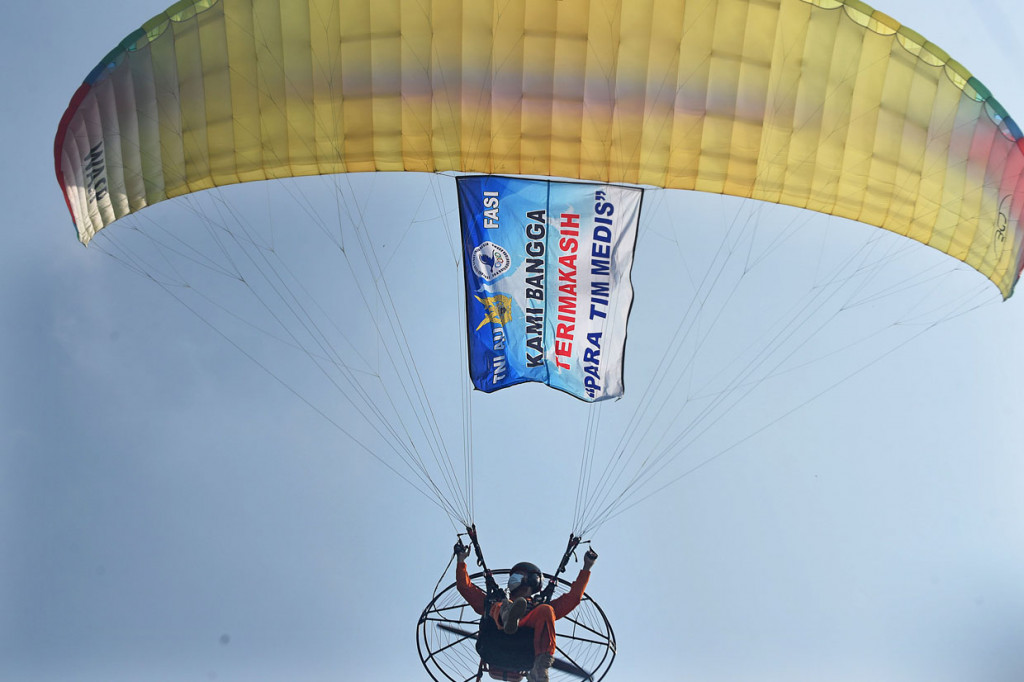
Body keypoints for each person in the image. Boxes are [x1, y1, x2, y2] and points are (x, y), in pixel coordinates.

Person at [455, 543, 598, 682]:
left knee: (546, 610)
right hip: (495, 641)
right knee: (499, 604)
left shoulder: (539, 605)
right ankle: (507, 617)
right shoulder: (496, 599)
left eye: (519, 575)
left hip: (525, 649)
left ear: (532, 580)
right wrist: (461, 560)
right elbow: (465, 588)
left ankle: (541, 667)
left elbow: (573, 598)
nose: (514, 578)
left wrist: (587, 566)